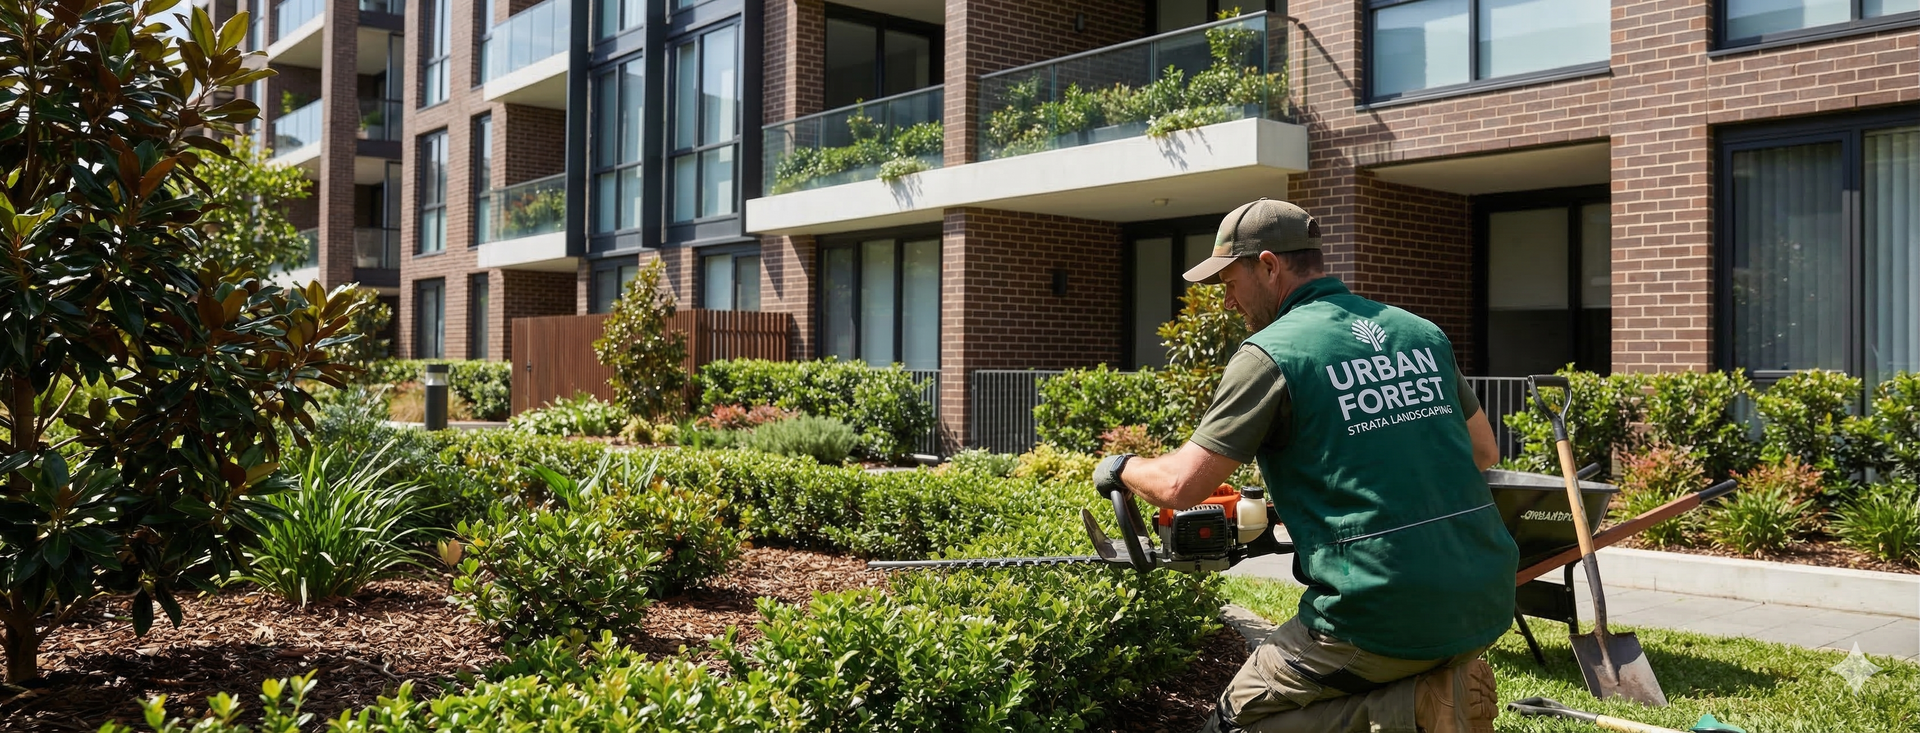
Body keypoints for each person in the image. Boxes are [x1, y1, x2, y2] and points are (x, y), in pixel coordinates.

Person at [1091, 198, 1517, 733]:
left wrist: (1121, 467)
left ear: (1268, 266)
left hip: (1378, 612)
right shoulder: (1419, 332)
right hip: (1486, 595)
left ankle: (1414, 709)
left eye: (1229, 280)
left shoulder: (1272, 353)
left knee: (1230, 725)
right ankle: (1430, 693)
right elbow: (1484, 452)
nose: (1226, 301)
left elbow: (1178, 485)